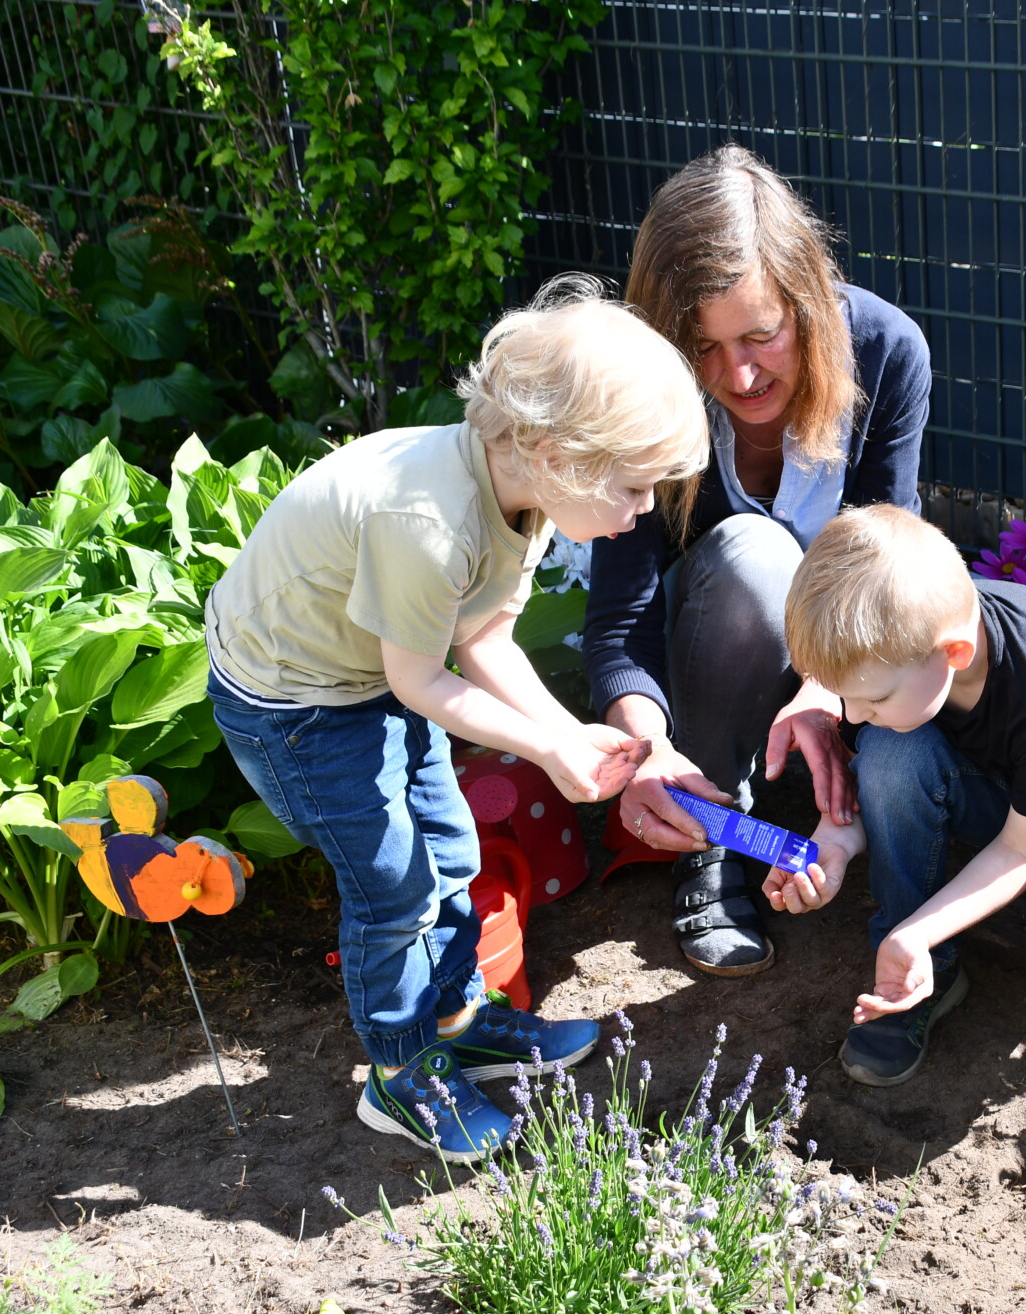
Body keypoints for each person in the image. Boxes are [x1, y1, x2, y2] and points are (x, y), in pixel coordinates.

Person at [204, 278, 709, 1160]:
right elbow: (419, 685)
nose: (640, 513)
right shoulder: (429, 520)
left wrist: (566, 731)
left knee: (453, 851)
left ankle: (460, 1021)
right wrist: (550, 748)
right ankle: (400, 1075)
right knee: (391, 884)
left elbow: (484, 638)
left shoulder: (524, 497)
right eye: (633, 489)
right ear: (557, 451)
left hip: (360, 676)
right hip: (293, 701)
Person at [584, 145, 931, 977]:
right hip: (695, 655)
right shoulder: (642, 391)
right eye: (700, 348)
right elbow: (620, 621)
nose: (735, 374)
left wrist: (824, 690)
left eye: (761, 336)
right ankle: (710, 833)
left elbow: (890, 568)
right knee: (753, 554)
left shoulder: (886, 353)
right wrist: (644, 751)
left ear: (806, 303)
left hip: (832, 665)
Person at [768, 505, 1026, 1086]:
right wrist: (833, 846)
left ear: (954, 656)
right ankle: (919, 971)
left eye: (872, 701)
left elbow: (1021, 847)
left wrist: (920, 927)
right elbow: (878, 766)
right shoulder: (889, 662)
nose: (853, 716)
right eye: (844, 698)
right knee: (891, 755)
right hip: (1003, 782)